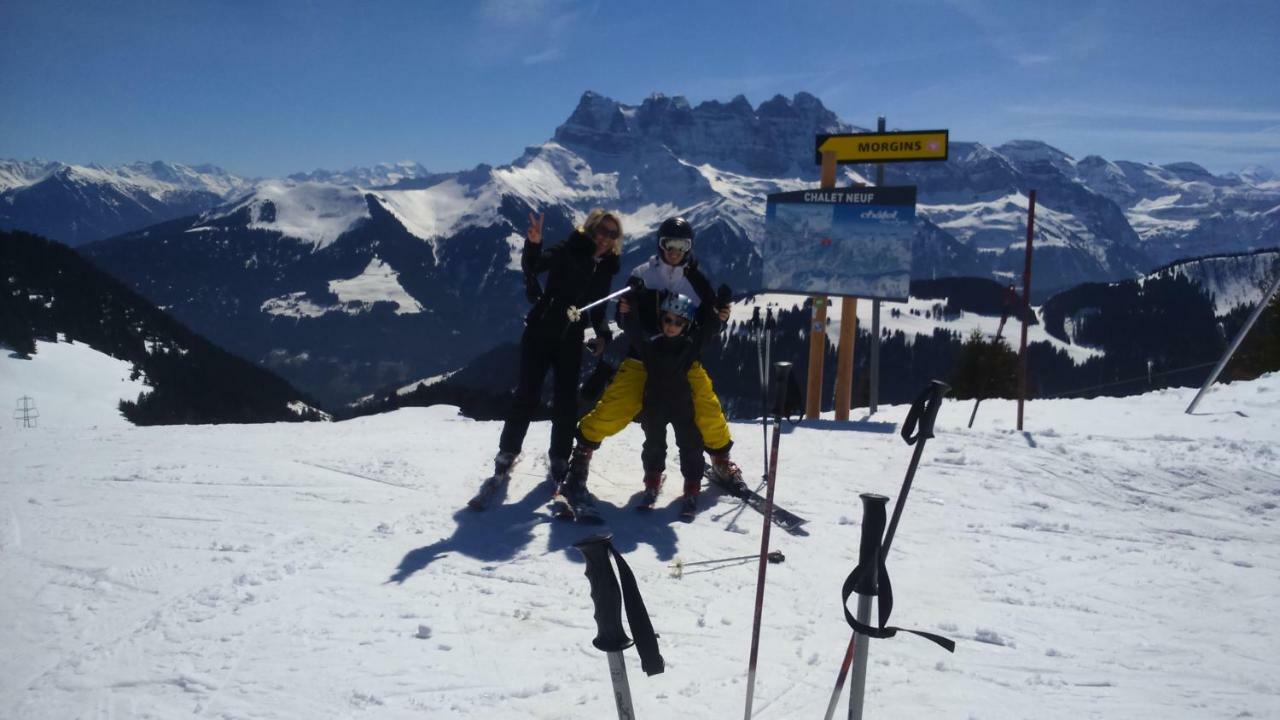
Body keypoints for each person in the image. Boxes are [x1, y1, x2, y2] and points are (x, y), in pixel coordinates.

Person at [558, 217, 742, 508]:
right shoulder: (643, 274)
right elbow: (622, 317)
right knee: (616, 407)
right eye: (670, 244)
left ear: (689, 248)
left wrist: (721, 317)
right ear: (661, 243)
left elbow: (710, 322)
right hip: (643, 357)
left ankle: (721, 459)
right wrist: (625, 310)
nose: (675, 251)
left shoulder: (696, 280)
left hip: (682, 359)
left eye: (683, 246)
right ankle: (581, 456)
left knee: (705, 406)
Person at [488, 208, 622, 486]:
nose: (606, 238)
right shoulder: (570, 247)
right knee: (527, 394)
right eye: (602, 231)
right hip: (541, 329)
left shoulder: (607, 266)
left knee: (565, 401)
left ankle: (560, 456)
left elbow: (598, 309)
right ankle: (508, 451)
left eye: (612, 234)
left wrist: (603, 335)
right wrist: (534, 242)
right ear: (591, 228)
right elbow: (534, 266)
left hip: (571, 337)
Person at [621, 290, 720, 517]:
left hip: (681, 404)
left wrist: (717, 311)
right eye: (667, 319)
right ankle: (652, 480)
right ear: (661, 319)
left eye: (678, 322)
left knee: (690, 443)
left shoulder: (688, 346)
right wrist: (629, 312)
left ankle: (692, 484)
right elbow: (634, 333)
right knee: (654, 444)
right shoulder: (651, 345)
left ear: (685, 325)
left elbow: (708, 332)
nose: (671, 326)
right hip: (654, 404)